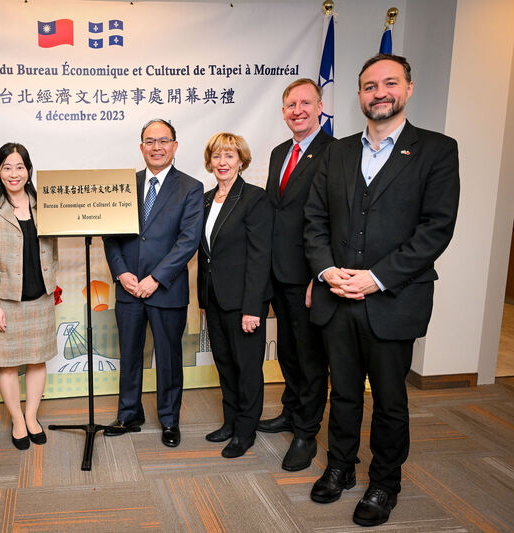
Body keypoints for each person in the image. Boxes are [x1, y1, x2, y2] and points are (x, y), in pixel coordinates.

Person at [304, 54, 460, 527]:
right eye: (370, 86)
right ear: (359, 95)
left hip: (393, 299)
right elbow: (315, 220)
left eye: (390, 83)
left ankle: (384, 483)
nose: (380, 93)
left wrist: (376, 278)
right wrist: (326, 271)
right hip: (337, 297)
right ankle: (340, 466)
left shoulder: (436, 150)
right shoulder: (336, 152)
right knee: (344, 392)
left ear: (408, 88)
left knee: (390, 400)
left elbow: (436, 229)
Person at [103, 119, 204, 447]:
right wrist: (121, 273)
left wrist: (156, 278)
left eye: (163, 140)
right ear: (141, 146)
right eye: (150, 141)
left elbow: (188, 241)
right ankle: (129, 413)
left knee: (168, 358)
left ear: (174, 145)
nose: (156, 147)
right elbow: (110, 236)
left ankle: (170, 420)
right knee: (129, 355)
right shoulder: (123, 186)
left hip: (167, 290)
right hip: (129, 288)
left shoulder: (190, 187)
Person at [259, 79, 334, 471]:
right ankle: (291, 412)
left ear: (320, 106)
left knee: (310, 358)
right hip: (278, 274)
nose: (298, 110)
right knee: (288, 352)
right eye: (291, 104)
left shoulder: (335, 153)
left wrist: (318, 276)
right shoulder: (279, 153)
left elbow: (335, 220)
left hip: (308, 278)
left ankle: (307, 432)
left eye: (306, 103)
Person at [0, 143, 58, 451]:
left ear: (29, 170)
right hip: (7, 301)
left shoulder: (45, 204)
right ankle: (17, 420)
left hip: (40, 297)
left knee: (37, 360)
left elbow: (55, 245)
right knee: (8, 366)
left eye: (20, 167)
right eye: (7, 167)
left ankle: (32, 416)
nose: (14, 173)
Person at [197, 133, 273, 458]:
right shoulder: (204, 199)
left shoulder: (254, 198)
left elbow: (260, 256)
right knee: (225, 365)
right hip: (214, 298)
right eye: (217, 156)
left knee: (247, 369)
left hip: (243, 301)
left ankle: (245, 431)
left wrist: (252, 307)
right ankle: (230, 422)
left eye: (229, 156)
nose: (222, 162)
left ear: (241, 161)